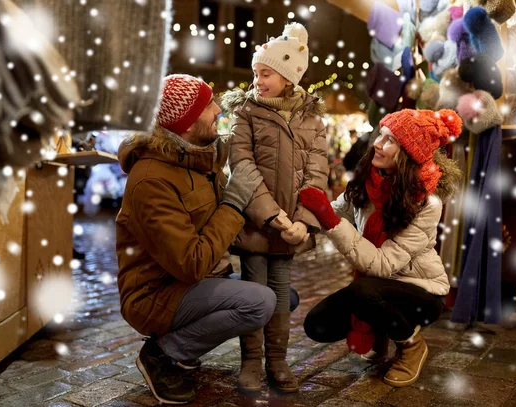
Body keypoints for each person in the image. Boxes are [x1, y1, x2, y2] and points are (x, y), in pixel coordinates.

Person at [115, 74, 277, 405]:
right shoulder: (151, 180)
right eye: (208, 105)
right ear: (187, 123)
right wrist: (234, 203)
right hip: (154, 294)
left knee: (284, 299)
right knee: (260, 302)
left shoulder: (196, 156)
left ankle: (182, 346)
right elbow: (190, 262)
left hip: (191, 282)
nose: (217, 109)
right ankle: (162, 354)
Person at [299, 109, 463, 387]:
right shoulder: (369, 180)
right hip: (380, 285)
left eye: (389, 140)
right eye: (380, 135)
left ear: (409, 154)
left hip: (422, 291)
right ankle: (382, 330)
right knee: (318, 324)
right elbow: (338, 210)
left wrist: (329, 220)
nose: (377, 143)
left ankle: (411, 346)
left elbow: (383, 264)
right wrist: (296, 216)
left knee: (362, 291)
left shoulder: (426, 202)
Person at [220, 22, 328, 393]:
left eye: (265, 73)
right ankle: (251, 360)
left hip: (290, 226)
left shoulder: (311, 119)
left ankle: (277, 359)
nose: (258, 80)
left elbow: (317, 173)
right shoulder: (246, 112)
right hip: (257, 222)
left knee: (281, 291)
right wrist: (272, 215)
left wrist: (302, 221)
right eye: (255, 73)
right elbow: (243, 165)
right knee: (255, 290)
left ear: (287, 77)